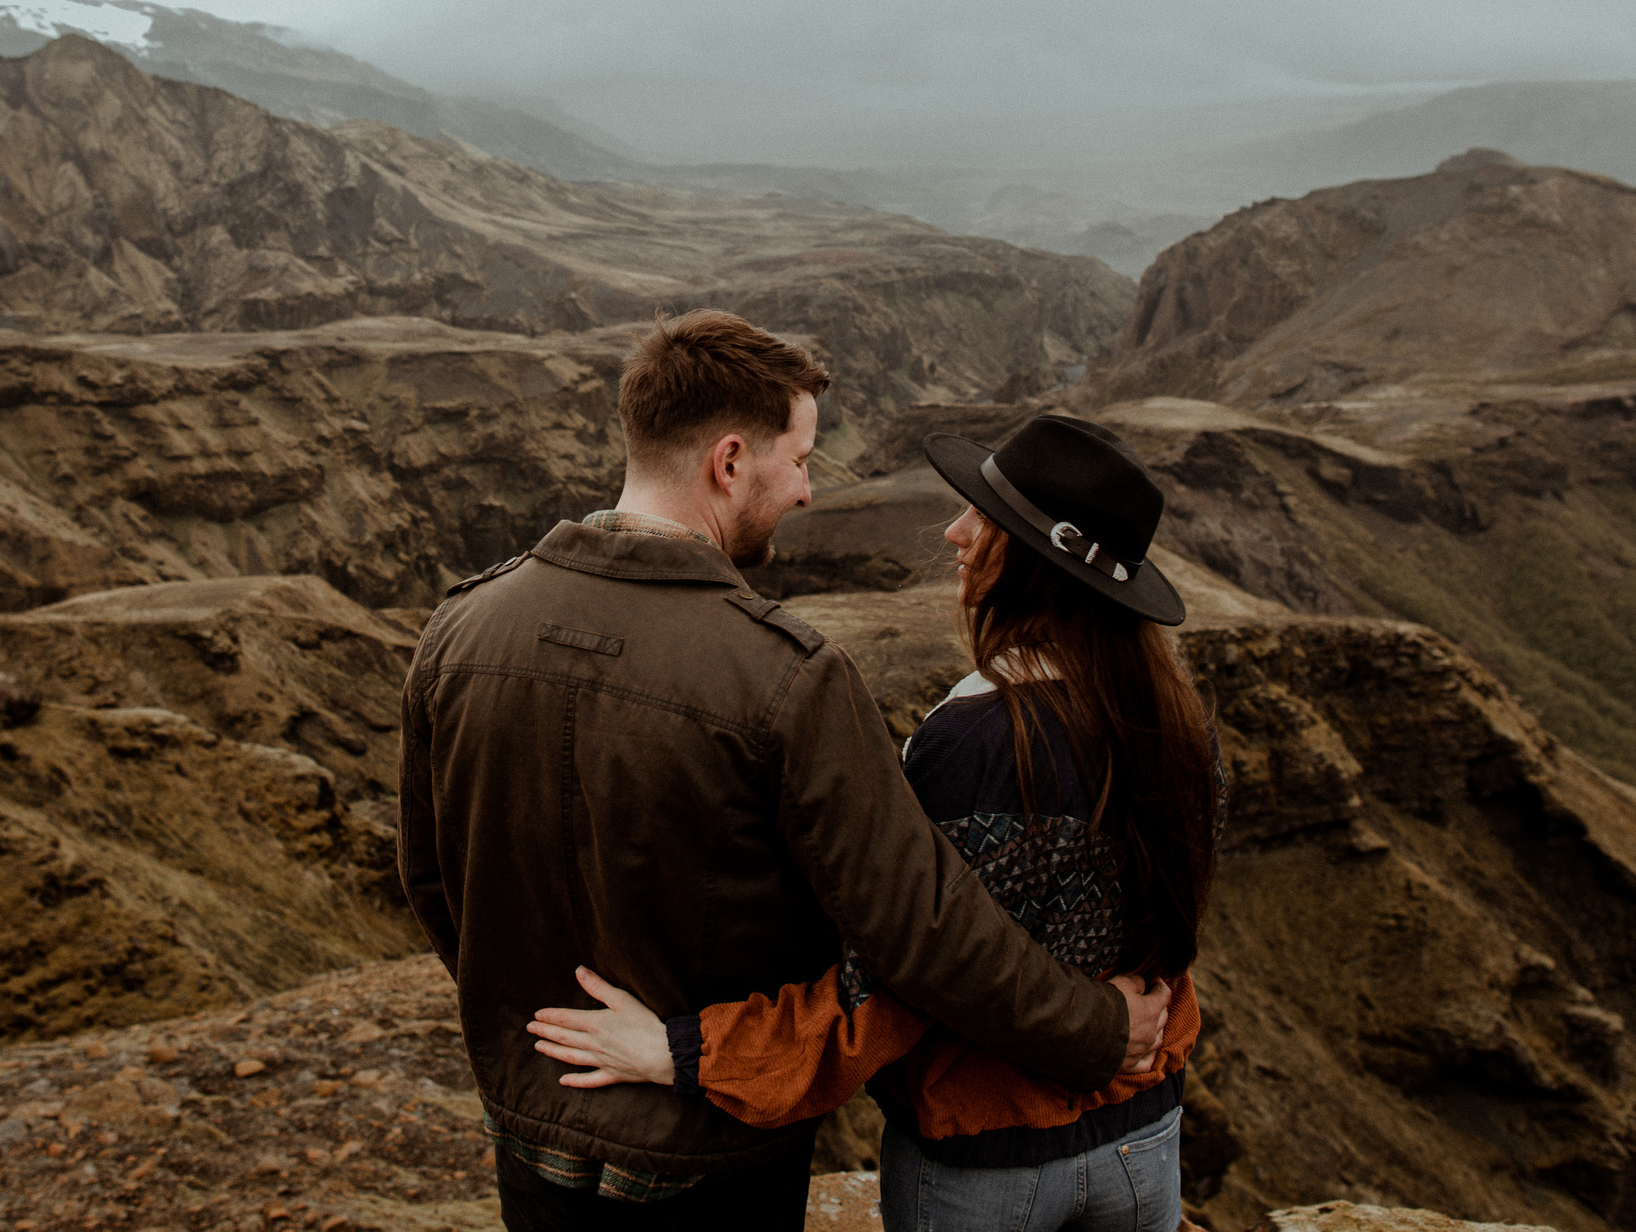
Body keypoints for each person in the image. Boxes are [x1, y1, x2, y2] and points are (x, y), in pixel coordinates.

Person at [399, 313, 1173, 1231]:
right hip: (713, 1152)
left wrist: (531, 1021)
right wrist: (1095, 1031)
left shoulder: (458, 630)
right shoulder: (786, 677)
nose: (808, 492)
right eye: (799, 460)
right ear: (730, 461)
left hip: (533, 1125)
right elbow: (923, 933)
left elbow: (433, 878)